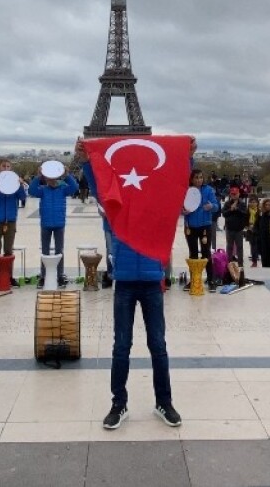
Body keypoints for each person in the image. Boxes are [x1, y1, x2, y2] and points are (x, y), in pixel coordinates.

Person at [75, 140, 181, 432]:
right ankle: (118, 404)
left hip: (150, 284)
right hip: (125, 284)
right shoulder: (116, 214)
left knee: (157, 345)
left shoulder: (157, 214)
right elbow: (99, 188)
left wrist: (188, 157)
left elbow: (174, 186)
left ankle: (164, 402)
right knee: (121, 346)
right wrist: (86, 161)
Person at [28, 166, 79, 287]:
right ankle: (43, 275)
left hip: (59, 224)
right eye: (48, 179)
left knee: (59, 251)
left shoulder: (63, 189)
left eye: (53, 178)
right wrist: (38, 176)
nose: (50, 181)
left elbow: (75, 188)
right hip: (45, 224)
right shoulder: (42, 190)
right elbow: (31, 190)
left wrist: (67, 175)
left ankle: (60, 275)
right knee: (45, 251)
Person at [0, 160, 27, 288]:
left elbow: (22, 197)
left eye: (8, 166)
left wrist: (21, 186)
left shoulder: (14, 180)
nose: (6, 168)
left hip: (10, 220)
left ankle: (9, 275)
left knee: (8, 249)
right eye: (3, 166)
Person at [182, 170, 219, 284]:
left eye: (201, 177)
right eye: (196, 178)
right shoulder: (186, 190)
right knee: (193, 253)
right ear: (192, 179)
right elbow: (180, 206)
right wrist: (183, 211)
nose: (199, 180)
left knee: (206, 253)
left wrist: (211, 206)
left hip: (205, 226)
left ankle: (211, 279)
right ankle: (194, 280)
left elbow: (217, 206)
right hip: (190, 226)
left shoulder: (208, 190)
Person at [222, 187, 249, 267]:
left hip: (239, 229)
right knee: (229, 247)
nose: (234, 196)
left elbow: (245, 214)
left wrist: (236, 209)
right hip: (229, 229)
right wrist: (231, 209)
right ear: (230, 194)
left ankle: (240, 265)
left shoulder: (242, 204)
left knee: (240, 247)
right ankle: (228, 264)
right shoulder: (227, 203)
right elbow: (224, 213)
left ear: (238, 194)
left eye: (235, 194)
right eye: (232, 194)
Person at [252, 197, 270, 268]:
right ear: (264, 205)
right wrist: (258, 234)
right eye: (266, 205)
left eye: (269, 205)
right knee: (264, 260)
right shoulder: (260, 215)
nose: (268, 206)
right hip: (262, 241)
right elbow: (255, 226)